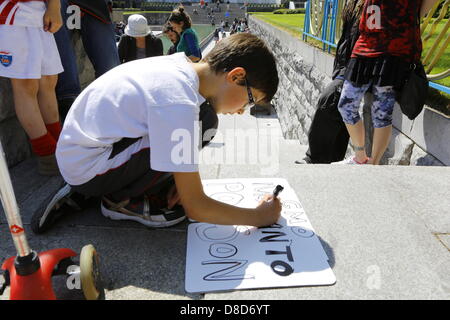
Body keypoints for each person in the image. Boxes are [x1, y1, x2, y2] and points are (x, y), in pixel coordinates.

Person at [36, 33, 281, 232]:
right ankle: (119, 201)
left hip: (84, 149)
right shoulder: (180, 102)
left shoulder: (180, 66)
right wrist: (259, 216)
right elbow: (196, 207)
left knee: (199, 124)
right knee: (203, 124)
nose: (241, 111)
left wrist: (179, 177)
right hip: (86, 166)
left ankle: (105, 186)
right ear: (236, 75)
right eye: (249, 100)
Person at [335, 0, 439, 165]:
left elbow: (421, 10)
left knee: (382, 114)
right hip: (365, 44)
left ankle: (373, 164)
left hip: (393, 50)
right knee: (346, 104)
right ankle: (360, 157)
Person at [0, 0, 64, 176]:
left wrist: (54, 6)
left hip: (40, 14)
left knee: (49, 81)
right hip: (12, 15)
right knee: (26, 86)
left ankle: (59, 144)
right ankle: (48, 154)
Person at [296, 0, 364, 164]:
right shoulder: (354, 5)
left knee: (329, 100)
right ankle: (331, 159)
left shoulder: (369, 6)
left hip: (356, 67)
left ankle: (316, 159)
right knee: (337, 112)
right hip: (346, 66)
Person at [54, 0, 120, 122]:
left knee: (110, 70)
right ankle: (68, 101)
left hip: (94, 5)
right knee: (55, 21)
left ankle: (115, 98)